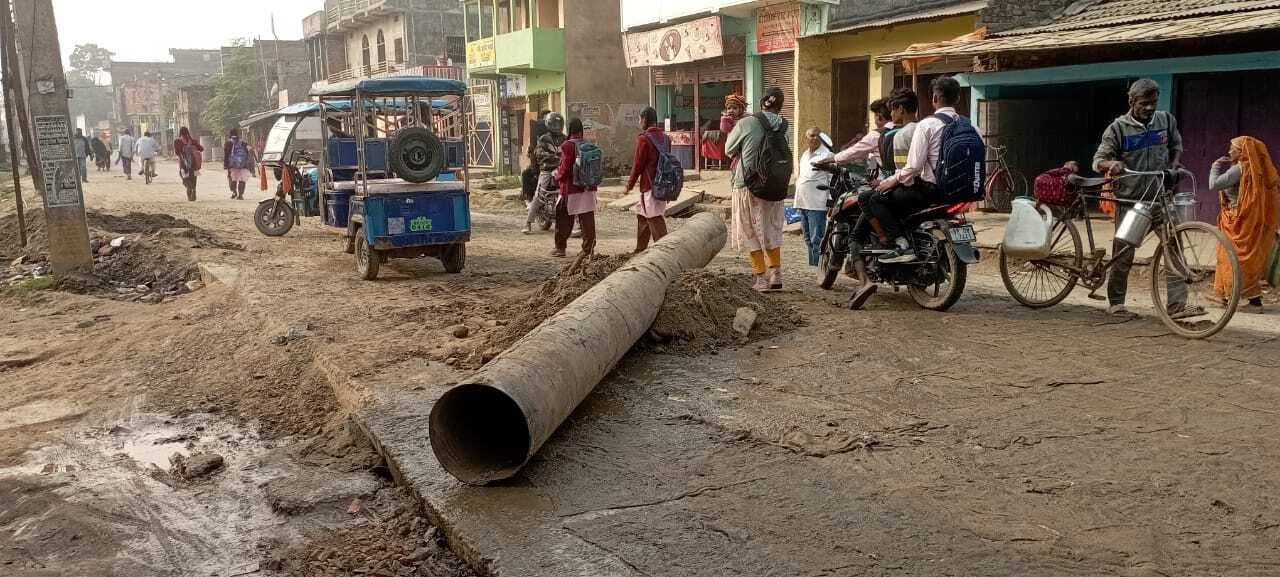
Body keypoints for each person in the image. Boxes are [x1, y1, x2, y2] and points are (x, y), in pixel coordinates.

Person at [1092, 78, 1200, 319]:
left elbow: (1177, 145)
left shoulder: (1166, 121)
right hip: (1132, 202)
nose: (1150, 107)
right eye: (1144, 103)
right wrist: (1112, 163)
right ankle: (1116, 303)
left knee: (1174, 247)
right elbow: (1098, 160)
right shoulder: (1118, 128)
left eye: (1153, 102)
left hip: (1161, 198)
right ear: (1132, 102)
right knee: (1123, 252)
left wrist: (1173, 167)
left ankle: (1176, 306)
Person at [872, 78, 967, 264]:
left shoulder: (927, 125)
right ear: (957, 99)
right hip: (962, 191)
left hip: (932, 192)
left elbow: (914, 167)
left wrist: (891, 181)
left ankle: (903, 245)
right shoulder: (969, 125)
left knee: (876, 198)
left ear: (934, 98)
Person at [726, 87, 791, 292]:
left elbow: (728, 149)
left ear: (761, 102)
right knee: (771, 228)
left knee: (750, 231)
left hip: (748, 185)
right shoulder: (785, 125)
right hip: (775, 185)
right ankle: (776, 274)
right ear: (780, 106)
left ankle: (761, 278)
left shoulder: (746, 123)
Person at [1210, 136, 1279, 314]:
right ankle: (1223, 296)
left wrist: (1215, 166)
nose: (1229, 151)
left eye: (1232, 149)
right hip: (1250, 221)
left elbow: (1214, 185)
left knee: (1234, 259)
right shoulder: (1258, 170)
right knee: (1241, 258)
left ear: (1242, 153)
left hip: (1237, 221)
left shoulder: (1239, 169)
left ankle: (1254, 302)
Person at [551, 118, 598, 258]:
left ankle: (560, 248)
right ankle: (588, 249)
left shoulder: (567, 146)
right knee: (587, 218)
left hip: (571, 189)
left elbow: (564, 169)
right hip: (589, 188)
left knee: (563, 217)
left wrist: (557, 176)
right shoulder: (589, 144)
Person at [625, 106, 669, 252]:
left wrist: (629, 184)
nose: (639, 122)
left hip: (649, 186)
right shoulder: (665, 138)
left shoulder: (644, 139)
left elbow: (638, 165)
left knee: (654, 217)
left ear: (644, 119)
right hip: (663, 184)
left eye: (640, 119)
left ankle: (665, 251)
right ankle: (640, 249)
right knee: (642, 214)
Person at [795, 127, 833, 267]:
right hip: (803, 201)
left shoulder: (827, 155)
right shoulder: (805, 154)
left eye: (818, 136)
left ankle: (820, 266)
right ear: (806, 138)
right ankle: (813, 264)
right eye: (811, 135)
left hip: (817, 203)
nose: (814, 138)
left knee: (817, 237)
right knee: (807, 237)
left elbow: (832, 179)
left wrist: (831, 201)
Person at [827, 98, 894, 173]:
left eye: (875, 116)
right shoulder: (904, 129)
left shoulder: (876, 135)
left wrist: (832, 159)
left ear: (879, 116)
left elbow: (854, 151)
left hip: (887, 179)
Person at [524, 112, 566, 234]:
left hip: (561, 169)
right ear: (549, 124)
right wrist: (554, 158)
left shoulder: (565, 138)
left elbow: (570, 150)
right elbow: (539, 153)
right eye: (554, 124)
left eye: (559, 124)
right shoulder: (544, 138)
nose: (557, 126)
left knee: (572, 193)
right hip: (547, 171)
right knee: (539, 195)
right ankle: (528, 223)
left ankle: (578, 225)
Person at [223, 129, 257, 200]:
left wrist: (226, 165)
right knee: (242, 180)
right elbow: (251, 150)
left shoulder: (228, 143)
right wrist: (256, 161)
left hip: (232, 165)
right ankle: (240, 195)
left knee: (232, 179)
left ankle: (234, 192)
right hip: (244, 164)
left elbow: (226, 155)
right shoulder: (243, 143)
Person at [174, 127, 204, 201]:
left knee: (184, 176)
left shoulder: (177, 141)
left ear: (180, 132)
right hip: (195, 165)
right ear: (188, 132)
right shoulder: (193, 141)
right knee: (195, 177)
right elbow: (201, 149)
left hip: (183, 164)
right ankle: (194, 189)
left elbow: (177, 152)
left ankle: (188, 186)